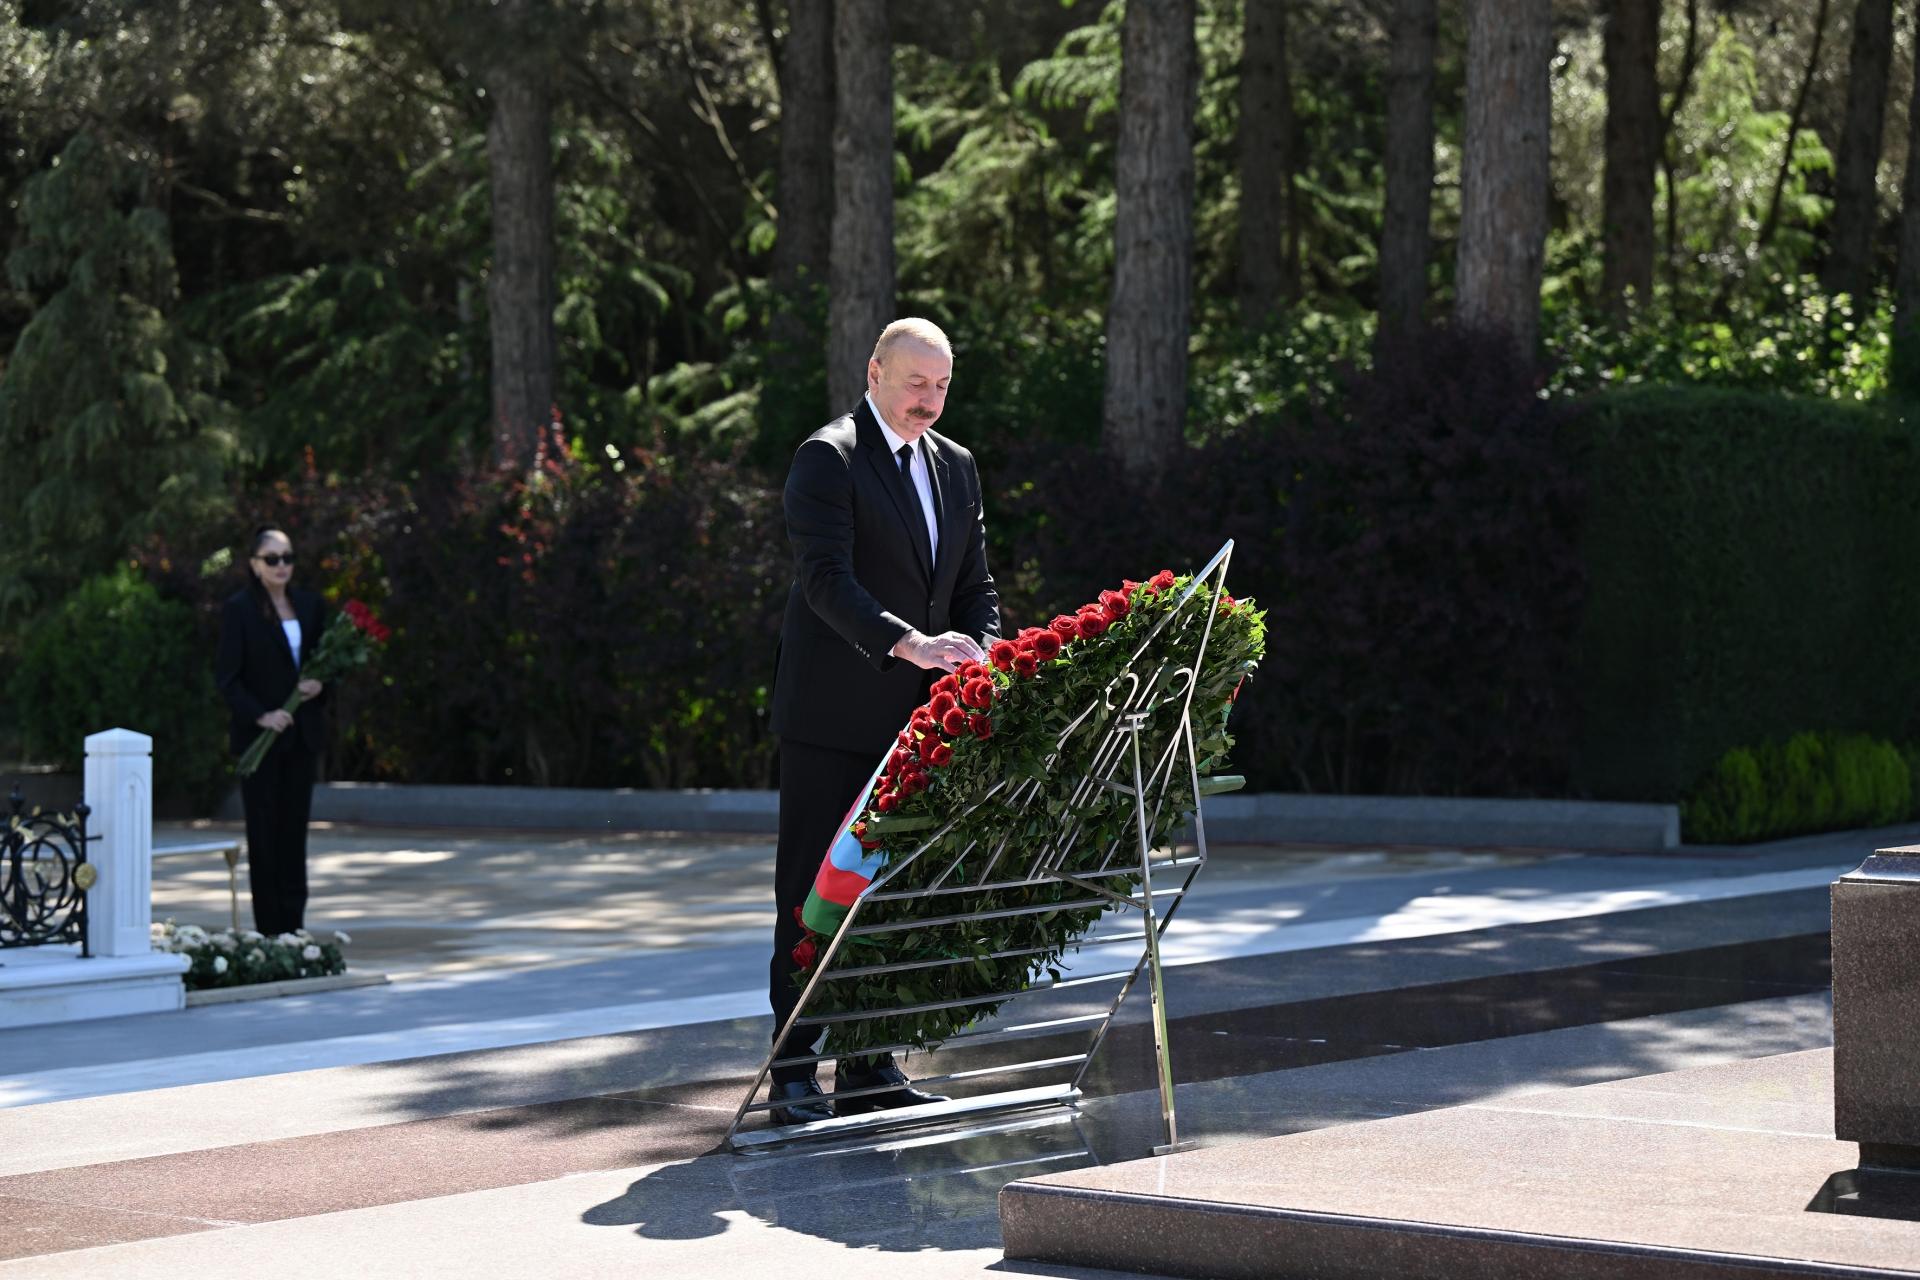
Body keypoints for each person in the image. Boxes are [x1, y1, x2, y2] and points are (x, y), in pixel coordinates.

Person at [765, 317, 1001, 1125]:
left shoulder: (957, 466)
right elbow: (825, 583)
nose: (928, 401)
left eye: (941, 385)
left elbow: (975, 585)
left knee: (893, 895)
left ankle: (869, 1064)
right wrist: (908, 644)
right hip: (832, 721)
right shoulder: (827, 458)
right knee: (813, 897)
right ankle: (793, 1070)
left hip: (922, 723)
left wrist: (986, 653)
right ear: (874, 372)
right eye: (914, 383)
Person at [214, 526, 329, 936]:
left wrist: (320, 686)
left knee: (293, 837)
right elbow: (228, 679)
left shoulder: (311, 606)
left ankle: (295, 930)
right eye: (272, 559)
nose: (282, 566)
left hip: (301, 739)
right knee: (265, 837)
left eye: (288, 558)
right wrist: (262, 716)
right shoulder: (240, 610)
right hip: (261, 742)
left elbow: (326, 665)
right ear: (254, 564)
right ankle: (271, 932)